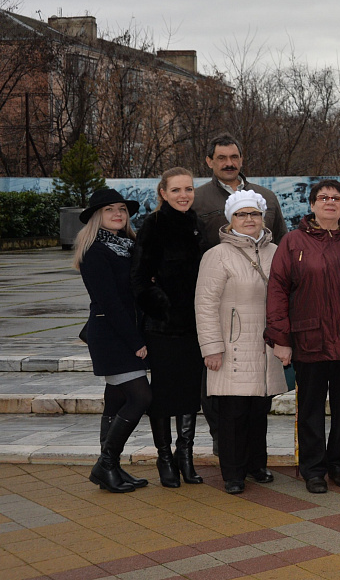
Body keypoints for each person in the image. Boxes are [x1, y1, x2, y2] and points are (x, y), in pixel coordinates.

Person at [266, 180, 340, 494]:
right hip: (310, 340)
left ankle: (339, 464)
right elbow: (277, 292)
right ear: (312, 205)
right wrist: (281, 338)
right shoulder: (292, 242)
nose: (330, 202)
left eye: (336, 198)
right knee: (311, 409)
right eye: (323, 198)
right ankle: (313, 469)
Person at [194, 190, 287, 494]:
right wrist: (211, 348)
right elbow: (205, 305)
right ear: (230, 219)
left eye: (255, 214)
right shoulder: (217, 255)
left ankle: (256, 465)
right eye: (241, 214)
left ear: (264, 217)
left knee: (259, 411)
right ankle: (233, 473)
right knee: (232, 415)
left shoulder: (277, 252)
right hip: (231, 348)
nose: (249, 220)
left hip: (266, 348)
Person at [74, 189, 151, 493]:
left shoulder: (130, 246)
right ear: (97, 216)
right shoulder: (95, 251)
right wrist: (136, 341)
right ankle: (105, 465)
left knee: (117, 399)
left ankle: (112, 469)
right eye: (110, 210)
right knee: (141, 397)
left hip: (126, 331)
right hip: (112, 335)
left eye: (122, 209)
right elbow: (110, 303)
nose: (118, 214)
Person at [133, 167, 205, 488]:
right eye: (176, 190)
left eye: (188, 189)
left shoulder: (197, 225)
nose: (183, 195)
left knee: (189, 392)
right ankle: (165, 457)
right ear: (163, 193)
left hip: (194, 327)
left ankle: (185, 456)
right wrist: (163, 307)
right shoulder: (152, 225)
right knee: (163, 393)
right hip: (161, 328)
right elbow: (138, 280)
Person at [193, 135, 287, 252]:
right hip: (217, 268)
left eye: (234, 157)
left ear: (241, 160)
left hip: (264, 268)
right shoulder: (196, 199)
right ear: (210, 162)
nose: (229, 163)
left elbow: (282, 241)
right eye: (222, 158)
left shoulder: (267, 197)